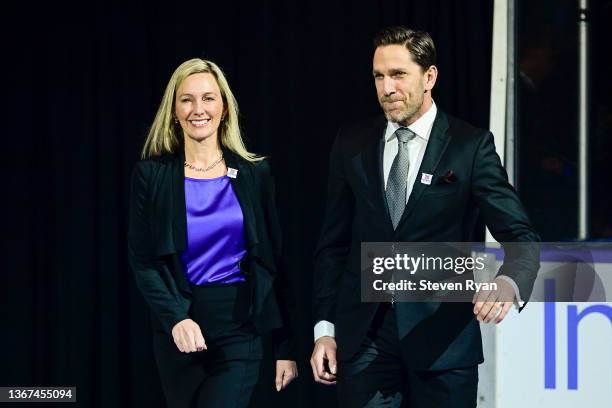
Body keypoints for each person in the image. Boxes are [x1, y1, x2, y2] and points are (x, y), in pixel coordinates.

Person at [310, 27, 540, 407]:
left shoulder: (470, 147)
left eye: (398, 75)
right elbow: (332, 245)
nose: (387, 88)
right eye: (379, 77)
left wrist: (508, 283)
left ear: (429, 77)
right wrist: (325, 329)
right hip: (365, 339)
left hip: (443, 341)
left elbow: (521, 236)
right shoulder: (351, 143)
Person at [128, 58, 297, 408]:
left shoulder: (254, 174)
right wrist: (176, 318)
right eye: (187, 99)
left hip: (239, 326)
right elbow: (143, 261)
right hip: (178, 332)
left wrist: (285, 346)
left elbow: (273, 262)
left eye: (208, 98)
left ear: (223, 107)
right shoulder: (151, 175)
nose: (198, 109)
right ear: (174, 110)